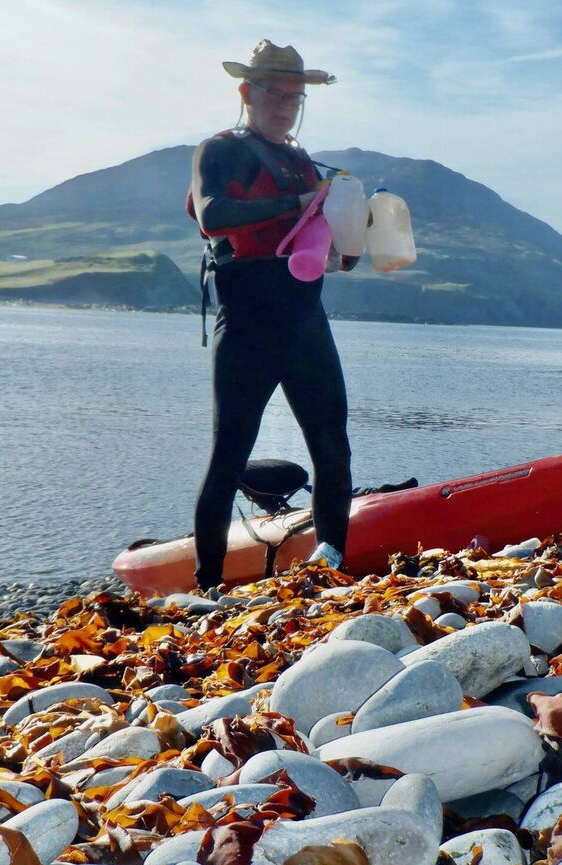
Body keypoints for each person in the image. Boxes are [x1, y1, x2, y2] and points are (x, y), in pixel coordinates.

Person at [187, 41, 352, 591]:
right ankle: (207, 586)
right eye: (274, 94)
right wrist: (304, 203)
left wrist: (347, 240)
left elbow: (320, 243)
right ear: (246, 93)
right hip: (248, 316)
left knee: (332, 447)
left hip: (304, 317)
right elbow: (214, 216)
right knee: (229, 454)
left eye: (294, 97)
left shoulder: (302, 162)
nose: (285, 106)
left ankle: (331, 566)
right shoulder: (219, 150)